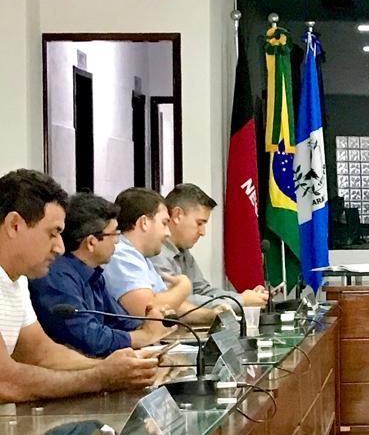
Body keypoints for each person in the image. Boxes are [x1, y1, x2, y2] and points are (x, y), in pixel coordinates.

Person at [0, 170, 157, 402]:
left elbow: (41, 354)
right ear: (14, 225)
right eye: (53, 233)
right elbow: (6, 382)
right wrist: (100, 377)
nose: (60, 248)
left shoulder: (17, 280)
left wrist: (114, 368)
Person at [29, 193, 173, 356]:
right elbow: (89, 338)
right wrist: (143, 336)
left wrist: (151, 321)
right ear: (91, 242)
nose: (117, 241)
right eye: (114, 234)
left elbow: (119, 321)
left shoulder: (94, 274)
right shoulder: (55, 276)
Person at [103, 188, 216, 323]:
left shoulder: (141, 257)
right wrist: (182, 288)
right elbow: (148, 311)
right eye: (164, 223)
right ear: (144, 222)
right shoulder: (121, 255)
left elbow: (172, 306)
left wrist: (210, 315)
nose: (167, 233)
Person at [150, 183, 268, 311]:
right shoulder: (156, 253)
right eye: (199, 223)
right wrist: (241, 301)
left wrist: (244, 298)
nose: (203, 232)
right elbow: (180, 302)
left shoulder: (183, 252)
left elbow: (203, 290)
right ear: (178, 215)